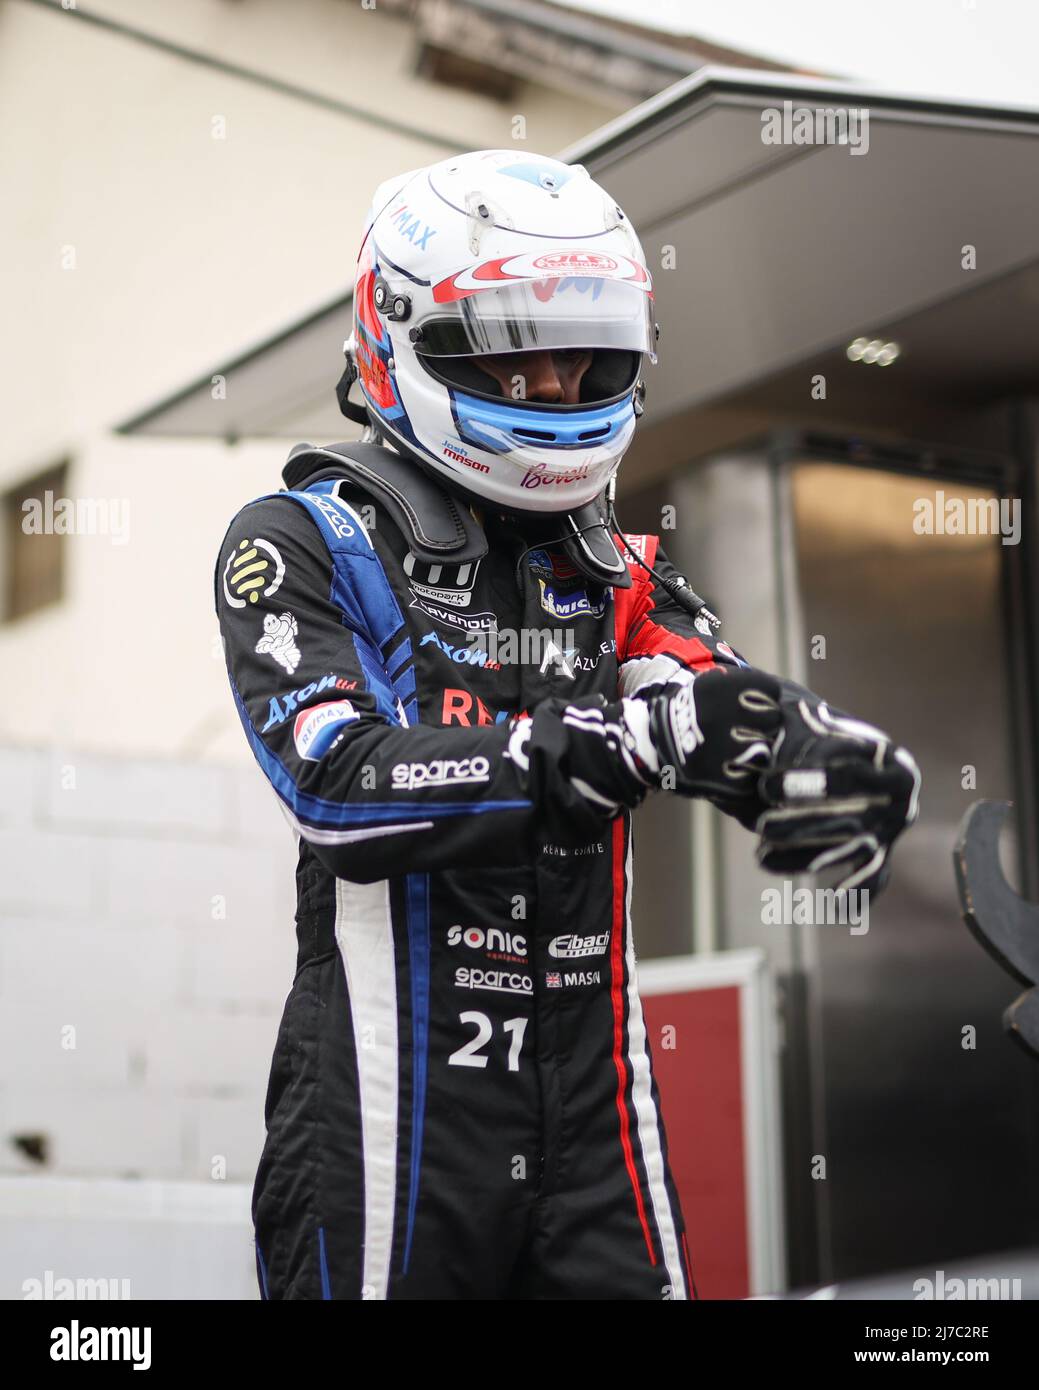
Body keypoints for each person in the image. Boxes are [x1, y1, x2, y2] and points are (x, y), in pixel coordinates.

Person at [215, 150, 920, 1301]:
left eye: (581, 348)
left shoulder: (614, 567)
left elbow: (714, 705)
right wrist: (593, 746)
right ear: (397, 331)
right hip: (388, 1123)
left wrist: (830, 762)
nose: (550, 384)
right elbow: (335, 785)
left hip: (599, 1121)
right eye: (509, 346)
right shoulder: (299, 540)